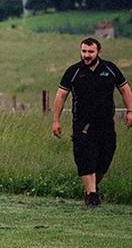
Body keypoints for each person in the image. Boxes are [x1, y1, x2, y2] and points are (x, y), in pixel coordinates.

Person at [52, 37, 132, 208]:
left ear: (98, 52)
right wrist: (56, 120)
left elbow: (125, 89)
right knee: (85, 158)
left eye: (90, 52)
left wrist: (130, 111)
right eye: (84, 51)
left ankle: (93, 188)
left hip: (106, 124)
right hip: (82, 125)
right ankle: (92, 195)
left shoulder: (110, 69)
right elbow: (60, 95)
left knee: (104, 160)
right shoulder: (73, 71)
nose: (86, 55)